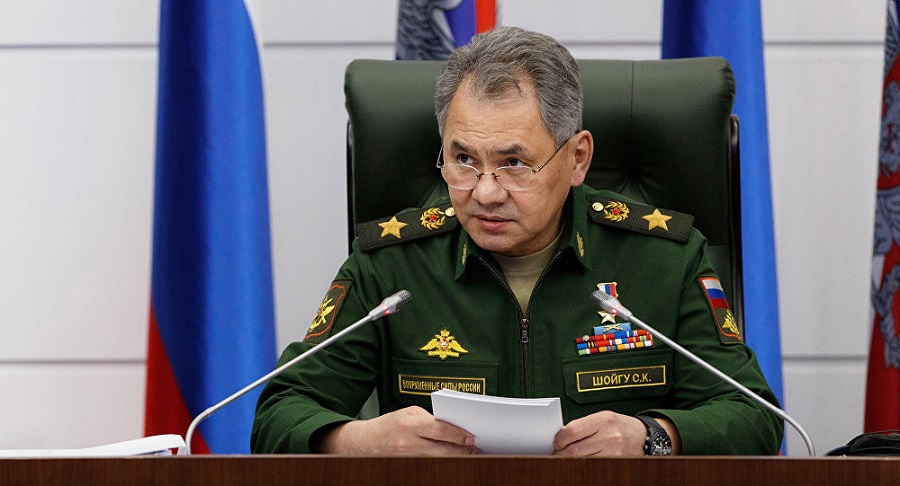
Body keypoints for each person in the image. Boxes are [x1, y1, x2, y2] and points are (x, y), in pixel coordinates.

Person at [251, 26, 783, 456]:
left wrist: (652, 436)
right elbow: (279, 413)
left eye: (513, 163)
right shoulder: (391, 266)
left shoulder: (663, 258)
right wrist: (361, 442)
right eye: (463, 159)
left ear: (577, 158)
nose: (485, 192)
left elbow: (754, 415)